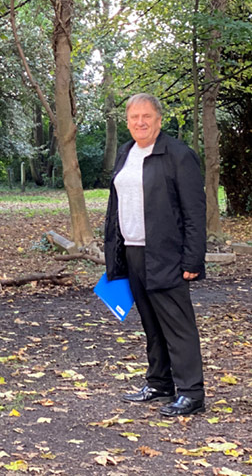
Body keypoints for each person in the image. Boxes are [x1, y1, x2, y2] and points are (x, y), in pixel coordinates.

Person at [104, 93, 206, 416]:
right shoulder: (126, 153)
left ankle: (191, 392)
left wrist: (193, 259)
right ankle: (160, 382)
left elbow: (195, 211)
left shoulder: (178, 155)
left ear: (159, 120)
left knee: (177, 325)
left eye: (147, 116)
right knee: (151, 323)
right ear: (128, 122)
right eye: (134, 117)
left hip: (167, 255)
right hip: (133, 251)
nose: (140, 122)